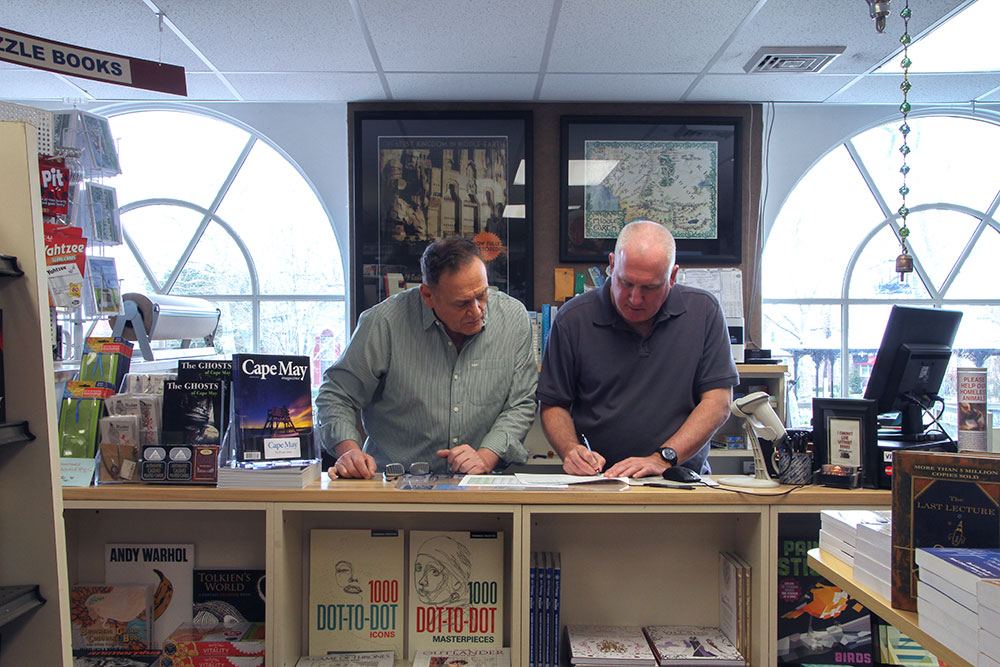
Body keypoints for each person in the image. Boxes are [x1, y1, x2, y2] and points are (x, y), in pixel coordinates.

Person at [316, 236, 537, 478]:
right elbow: (336, 395)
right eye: (462, 303)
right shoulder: (384, 324)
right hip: (395, 484)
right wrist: (349, 451)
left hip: (479, 484)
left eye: (482, 295)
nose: (476, 311)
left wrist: (484, 457)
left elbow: (520, 404)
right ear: (427, 295)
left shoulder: (514, 319)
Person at [537, 220, 738, 478]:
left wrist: (664, 458)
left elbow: (718, 402)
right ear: (611, 265)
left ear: (673, 276)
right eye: (625, 282)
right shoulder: (572, 320)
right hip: (600, 481)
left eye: (650, 288)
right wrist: (570, 450)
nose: (634, 298)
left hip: (679, 479)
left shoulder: (704, 312)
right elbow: (554, 404)